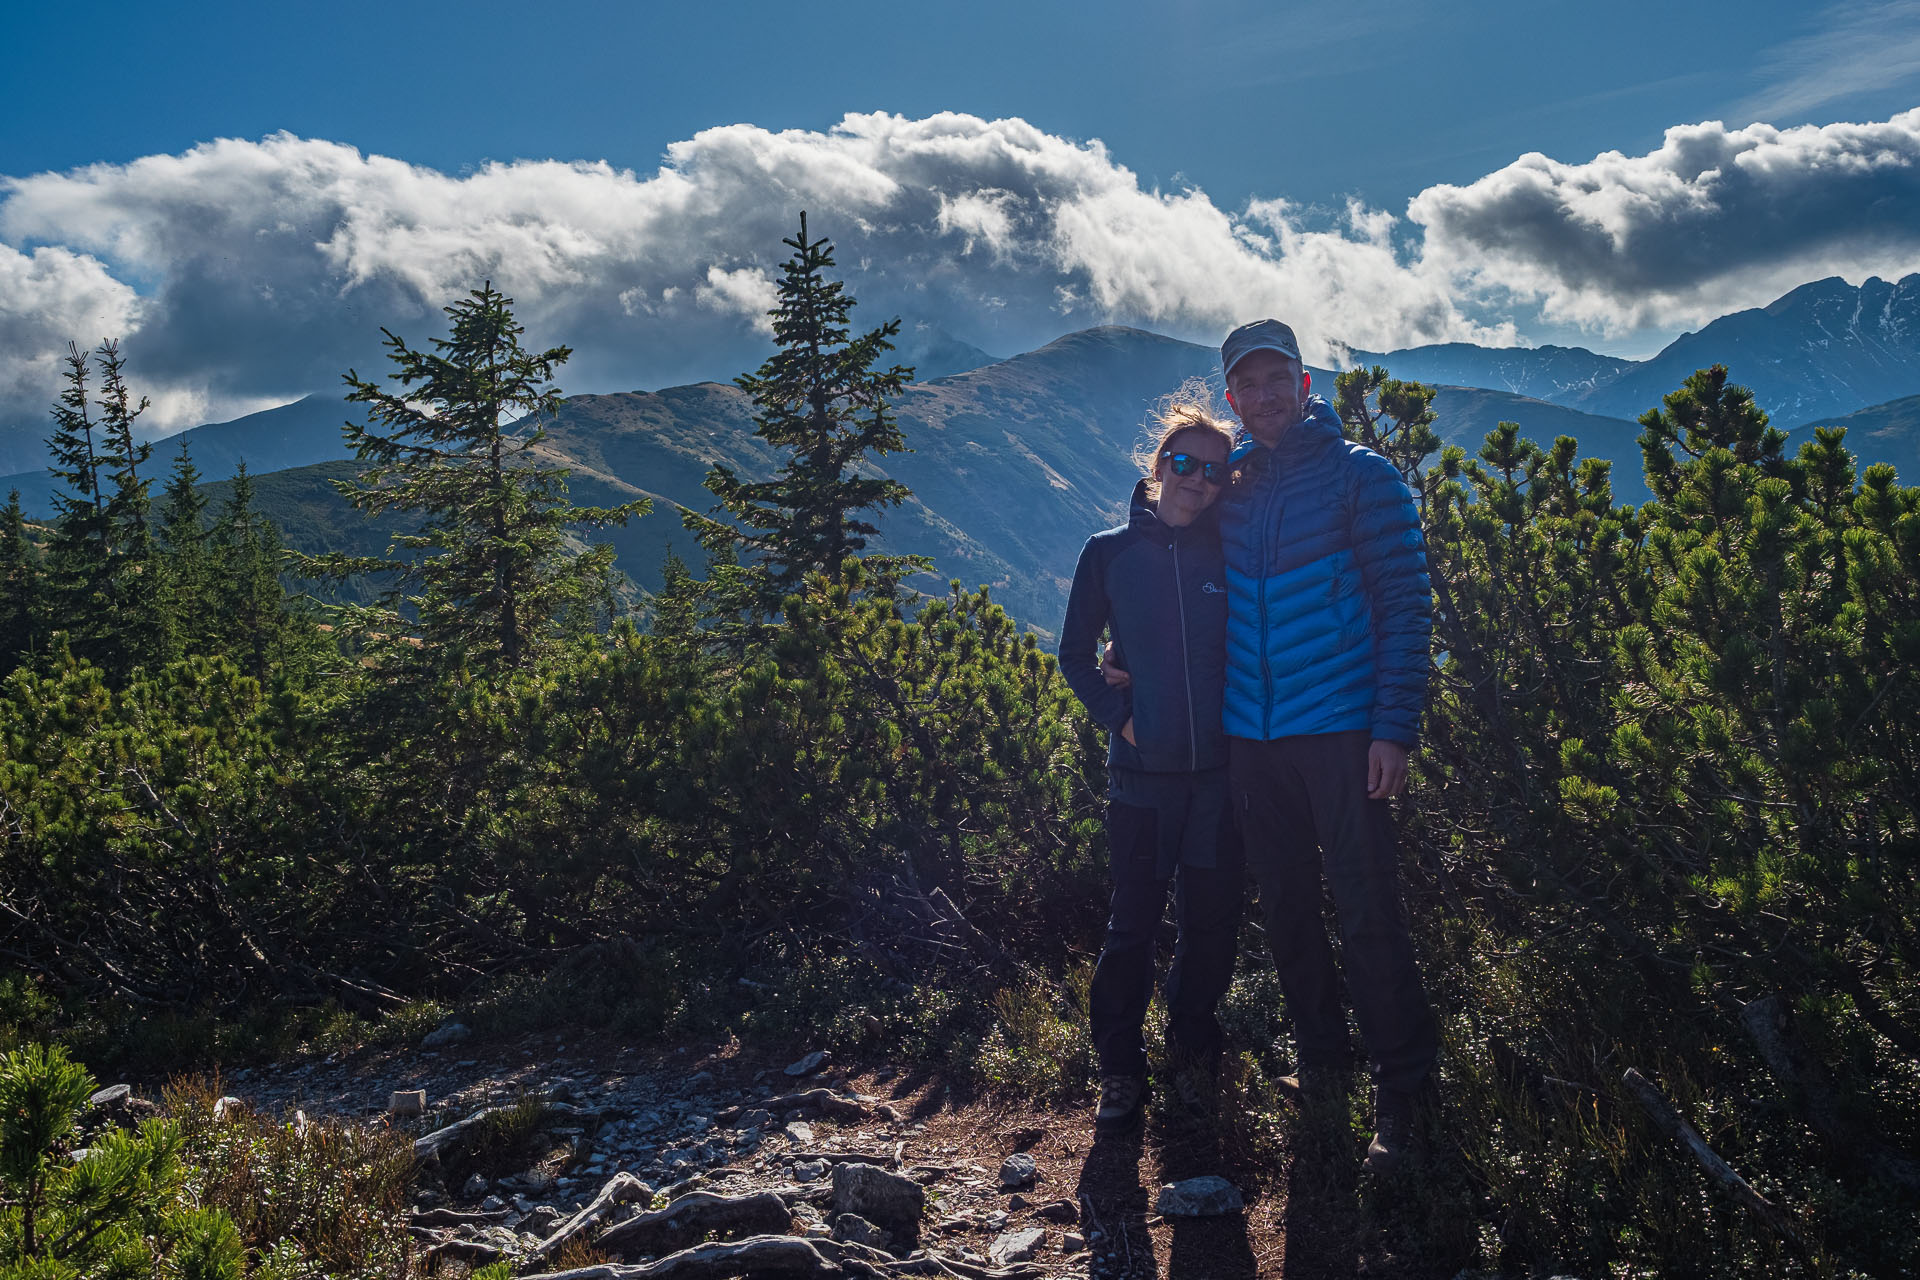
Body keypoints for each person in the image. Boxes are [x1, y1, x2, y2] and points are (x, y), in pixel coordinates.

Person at [1215, 318, 1439, 1174]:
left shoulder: (1361, 479)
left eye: (1280, 380)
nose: (1266, 396)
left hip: (1343, 731)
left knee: (1367, 910)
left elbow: (1406, 607)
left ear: (1307, 384)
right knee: (1288, 910)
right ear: (1232, 398)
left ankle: (1404, 1094)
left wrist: (1393, 730)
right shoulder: (1231, 484)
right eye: (1249, 385)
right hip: (1254, 739)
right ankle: (1324, 1065)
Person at [1057, 392, 1244, 1133]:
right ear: (1159, 465)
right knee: (1130, 930)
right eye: (1184, 462)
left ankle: (1193, 1062)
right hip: (1139, 786)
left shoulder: (1226, 552)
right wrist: (1121, 720)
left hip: (1216, 783)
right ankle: (1120, 1072)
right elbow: (1075, 655)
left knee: (1211, 931)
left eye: (1213, 470)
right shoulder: (1108, 553)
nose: (1198, 478)